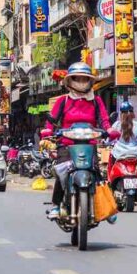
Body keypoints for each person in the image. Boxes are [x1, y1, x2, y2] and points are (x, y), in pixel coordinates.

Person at [44, 62, 111, 218]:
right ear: (70, 80)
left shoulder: (96, 101)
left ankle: (104, 205)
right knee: (62, 172)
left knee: (97, 173)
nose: (81, 82)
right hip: (67, 144)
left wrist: (110, 130)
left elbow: (104, 120)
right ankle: (56, 205)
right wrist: (48, 130)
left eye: (84, 78)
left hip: (89, 144)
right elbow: (52, 120)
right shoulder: (63, 101)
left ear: (89, 81)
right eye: (77, 78)